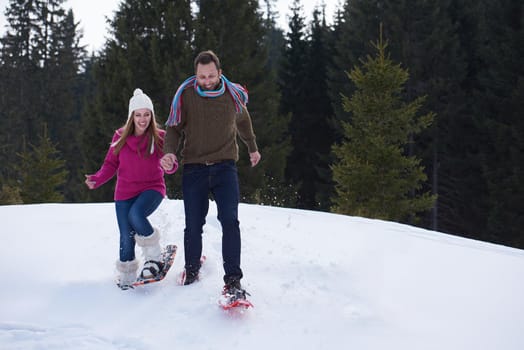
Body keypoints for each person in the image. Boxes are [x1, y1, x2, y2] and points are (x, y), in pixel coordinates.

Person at [161, 50, 261, 298]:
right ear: (196, 75)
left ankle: (233, 280)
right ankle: (192, 270)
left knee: (230, 221)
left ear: (219, 73)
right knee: (193, 225)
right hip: (194, 168)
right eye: (201, 77)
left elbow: (244, 123)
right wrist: (170, 152)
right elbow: (173, 128)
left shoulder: (232, 95)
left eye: (211, 76)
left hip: (225, 167)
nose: (206, 81)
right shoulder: (186, 95)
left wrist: (253, 147)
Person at [85, 88, 178, 290]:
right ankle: (127, 278)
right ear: (131, 116)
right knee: (125, 235)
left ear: (151, 116)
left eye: (146, 114)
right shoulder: (120, 137)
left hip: (152, 188)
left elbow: (170, 161)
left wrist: (169, 164)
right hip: (124, 193)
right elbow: (110, 164)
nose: (142, 119)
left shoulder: (160, 137)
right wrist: (97, 179)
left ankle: (155, 257)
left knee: (136, 215)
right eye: (138, 115)